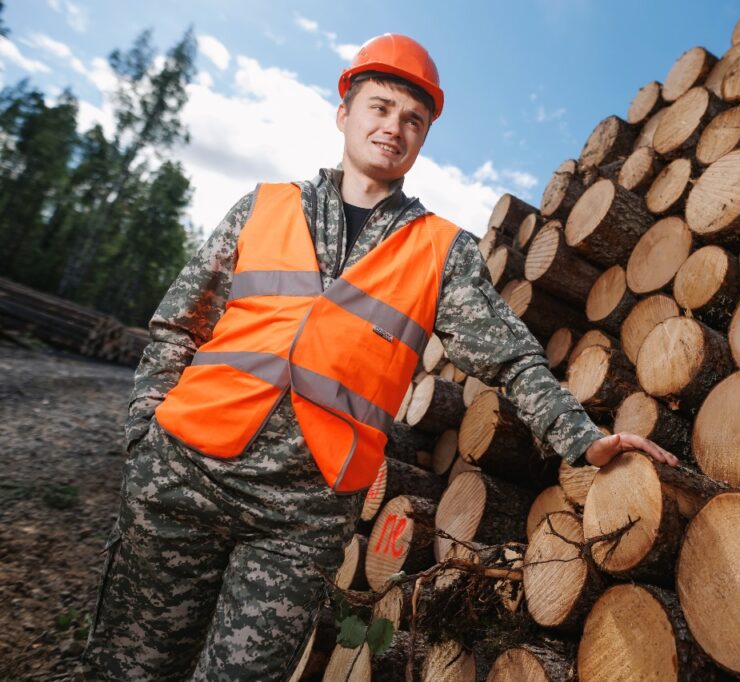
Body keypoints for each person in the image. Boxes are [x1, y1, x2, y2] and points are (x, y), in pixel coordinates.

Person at [80, 33, 677, 680]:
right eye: (381, 107)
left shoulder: (440, 251)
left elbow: (510, 358)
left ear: (423, 137)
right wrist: (144, 432)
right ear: (345, 113)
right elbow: (179, 325)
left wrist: (581, 438)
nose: (394, 127)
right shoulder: (263, 206)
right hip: (180, 476)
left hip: (299, 518)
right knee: (128, 669)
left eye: (413, 119)